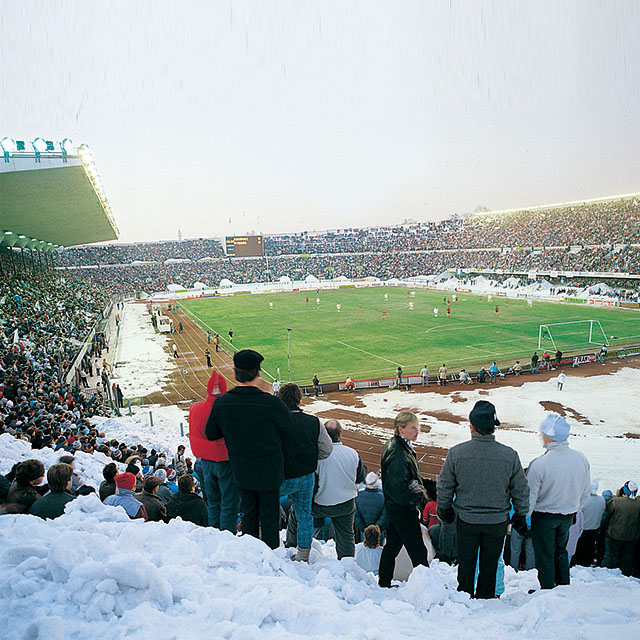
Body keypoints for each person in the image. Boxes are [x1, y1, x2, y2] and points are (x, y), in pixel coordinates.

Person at [437, 401, 529, 599]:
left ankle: (465, 596)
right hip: (496, 521)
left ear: (471, 427)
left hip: (467, 520)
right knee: (489, 563)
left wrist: (444, 508)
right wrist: (520, 514)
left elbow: (444, 485)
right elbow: (520, 490)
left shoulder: (457, 453)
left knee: (467, 562)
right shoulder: (509, 455)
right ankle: (486, 599)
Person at [206, 349, 293, 549]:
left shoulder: (223, 403)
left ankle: (251, 553)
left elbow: (211, 433)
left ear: (236, 373)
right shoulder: (271, 403)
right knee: (270, 516)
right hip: (269, 469)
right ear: (258, 372)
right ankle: (271, 554)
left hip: (241, 468)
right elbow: (290, 429)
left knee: (248, 513)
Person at [527, 414, 591, 589]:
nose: (541, 436)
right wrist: (576, 509)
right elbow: (585, 490)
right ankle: (563, 587)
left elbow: (530, 498)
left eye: (543, 433)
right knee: (560, 551)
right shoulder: (581, 459)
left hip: (544, 516)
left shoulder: (540, 464)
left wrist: (524, 518)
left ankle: (547, 590)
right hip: (568, 515)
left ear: (549, 435)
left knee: (545, 555)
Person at [278, 383, 333, 562]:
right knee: (304, 515)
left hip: (281, 477)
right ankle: (303, 554)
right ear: (299, 400)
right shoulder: (314, 421)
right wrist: (309, 456)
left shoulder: (274, 422)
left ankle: (271, 547)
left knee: (267, 510)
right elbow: (326, 450)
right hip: (305, 476)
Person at [378, 411, 430, 588]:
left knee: (392, 546)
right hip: (402, 509)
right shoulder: (398, 452)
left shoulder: (400, 446)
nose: (417, 431)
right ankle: (426, 588)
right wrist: (418, 496)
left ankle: (384, 582)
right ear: (400, 429)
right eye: (413, 428)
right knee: (418, 551)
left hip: (397, 508)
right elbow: (398, 486)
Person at [190, 370, 239, 531]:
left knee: (213, 501)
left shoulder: (196, 408)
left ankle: (214, 532)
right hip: (226, 461)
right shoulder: (230, 410)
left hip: (206, 462)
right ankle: (226, 536)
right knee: (228, 502)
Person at [312, 419, 366, 560]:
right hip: (345, 504)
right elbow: (360, 478)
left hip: (320, 504)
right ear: (340, 434)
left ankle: (292, 546)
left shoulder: (316, 455)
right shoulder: (353, 454)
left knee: (296, 514)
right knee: (346, 536)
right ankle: (347, 562)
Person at [604, 480, 640, 576]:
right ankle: (626, 575)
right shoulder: (638, 504)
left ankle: (612, 575)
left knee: (613, 557)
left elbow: (608, 510)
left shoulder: (616, 501)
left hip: (616, 535)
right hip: (632, 536)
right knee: (627, 557)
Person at [572, 480, 606, 567]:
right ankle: (588, 561)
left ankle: (579, 563)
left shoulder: (584, 501)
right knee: (590, 547)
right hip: (595, 528)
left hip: (584, 529)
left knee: (580, 547)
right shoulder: (602, 500)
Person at [355, 472, 387, 543]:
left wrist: (364, 529)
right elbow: (384, 516)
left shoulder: (358, 496)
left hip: (364, 531)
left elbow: (356, 516)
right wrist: (376, 529)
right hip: (378, 532)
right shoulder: (383, 498)